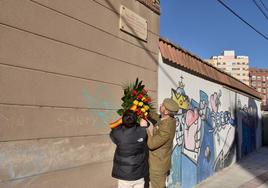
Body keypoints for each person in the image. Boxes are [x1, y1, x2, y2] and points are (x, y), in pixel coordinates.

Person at [141, 98, 179, 188]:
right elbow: (157, 117)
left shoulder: (166, 128)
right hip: (159, 162)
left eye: (162, 105)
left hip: (158, 166)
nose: (160, 105)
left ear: (166, 112)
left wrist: (145, 128)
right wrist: (144, 108)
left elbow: (152, 144)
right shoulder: (167, 119)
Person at [110, 110, 149, 188]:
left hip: (124, 174)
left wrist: (121, 121)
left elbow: (113, 132)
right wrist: (144, 126)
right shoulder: (142, 131)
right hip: (139, 173)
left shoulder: (117, 133)